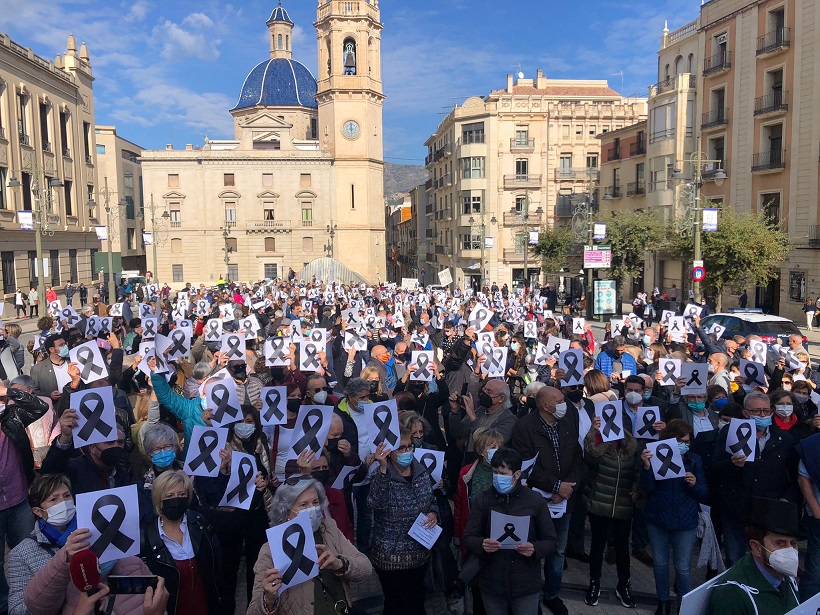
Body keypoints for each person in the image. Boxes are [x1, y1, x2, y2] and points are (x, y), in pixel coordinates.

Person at [15, 475, 167, 615]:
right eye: (53, 499)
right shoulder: (22, 553)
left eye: (67, 496)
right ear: (38, 511)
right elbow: (19, 610)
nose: (63, 503)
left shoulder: (98, 531)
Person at [247, 477, 372, 615]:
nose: (312, 509)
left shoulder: (329, 530)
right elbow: (253, 611)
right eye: (303, 505)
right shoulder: (271, 548)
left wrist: (340, 563)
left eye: (315, 502)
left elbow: (366, 568)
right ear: (286, 511)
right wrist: (268, 599)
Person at [511, 386, 583, 615]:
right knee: (532, 548)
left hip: (565, 499)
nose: (564, 403)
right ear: (545, 405)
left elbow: (577, 459)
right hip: (536, 500)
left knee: (558, 550)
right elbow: (525, 465)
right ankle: (529, 593)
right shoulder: (524, 427)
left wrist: (566, 488)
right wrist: (554, 486)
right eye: (560, 400)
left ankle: (552, 593)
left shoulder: (567, 422)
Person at [462, 448, 558, 615]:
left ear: (517, 474)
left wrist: (534, 548)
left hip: (525, 584)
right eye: (494, 472)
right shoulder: (484, 499)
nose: (498, 477)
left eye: (503, 473)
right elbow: (469, 537)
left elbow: (551, 541)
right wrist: (482, 544)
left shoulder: (535, 501)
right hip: (492, 582)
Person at [712, 391, 796, 566]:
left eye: (766, 411)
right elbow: (715, 466)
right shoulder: (730, 432)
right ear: (746, 413)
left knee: (766, 560)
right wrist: (732, 464)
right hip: (736, 509)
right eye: (757, 411)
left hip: (767, 511)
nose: (763, 415)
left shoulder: (783, 439)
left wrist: (786, 499)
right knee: (735, 559)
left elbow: (794, 475)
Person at [640, 419, 708, 615]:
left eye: (687, 442)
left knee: (683, 567)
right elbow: (647, 488)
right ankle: (663, 602)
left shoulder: (695, 460)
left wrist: (695, 483)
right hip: (658, 518)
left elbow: (704, 492)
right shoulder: (656, 457)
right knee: (660, 564)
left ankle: (683, 606)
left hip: (685, 521)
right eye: (680, 441)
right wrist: (646, 467)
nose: (684, 445)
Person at [368, 425, 438, 615]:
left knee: (417, 602)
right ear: (389, 452)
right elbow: (376, 503)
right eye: (401, 448)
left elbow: (431, 499)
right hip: (391, 558)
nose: (407, 451)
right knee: (398, 605)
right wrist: (382, 468)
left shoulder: (421, 472)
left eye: (409, 447)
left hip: (419, 553)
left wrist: (433, 512)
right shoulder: (381, 475)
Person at [141, 470, 224, 615]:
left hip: (207, 607)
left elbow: (217, 567)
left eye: (181, 495)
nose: (176, 500)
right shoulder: (148, 536)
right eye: (170, 496)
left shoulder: (200, 524)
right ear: (159, 500)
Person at [583, 413, 639, 608]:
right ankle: (594, 582)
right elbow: (590, 458)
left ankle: (623, 584)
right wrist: (595, 432)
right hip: (599, 501)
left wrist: (637, 490)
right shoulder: (599, 442)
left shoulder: (632, 447)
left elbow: (638, 472)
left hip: (623, 504)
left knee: (623, 547)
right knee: (597, 545)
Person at [706, 497, 800, 614]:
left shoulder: (786, 576)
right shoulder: (732, 595)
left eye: (793, 543)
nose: (789, 551)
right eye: (779, 543)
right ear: (756, 548)